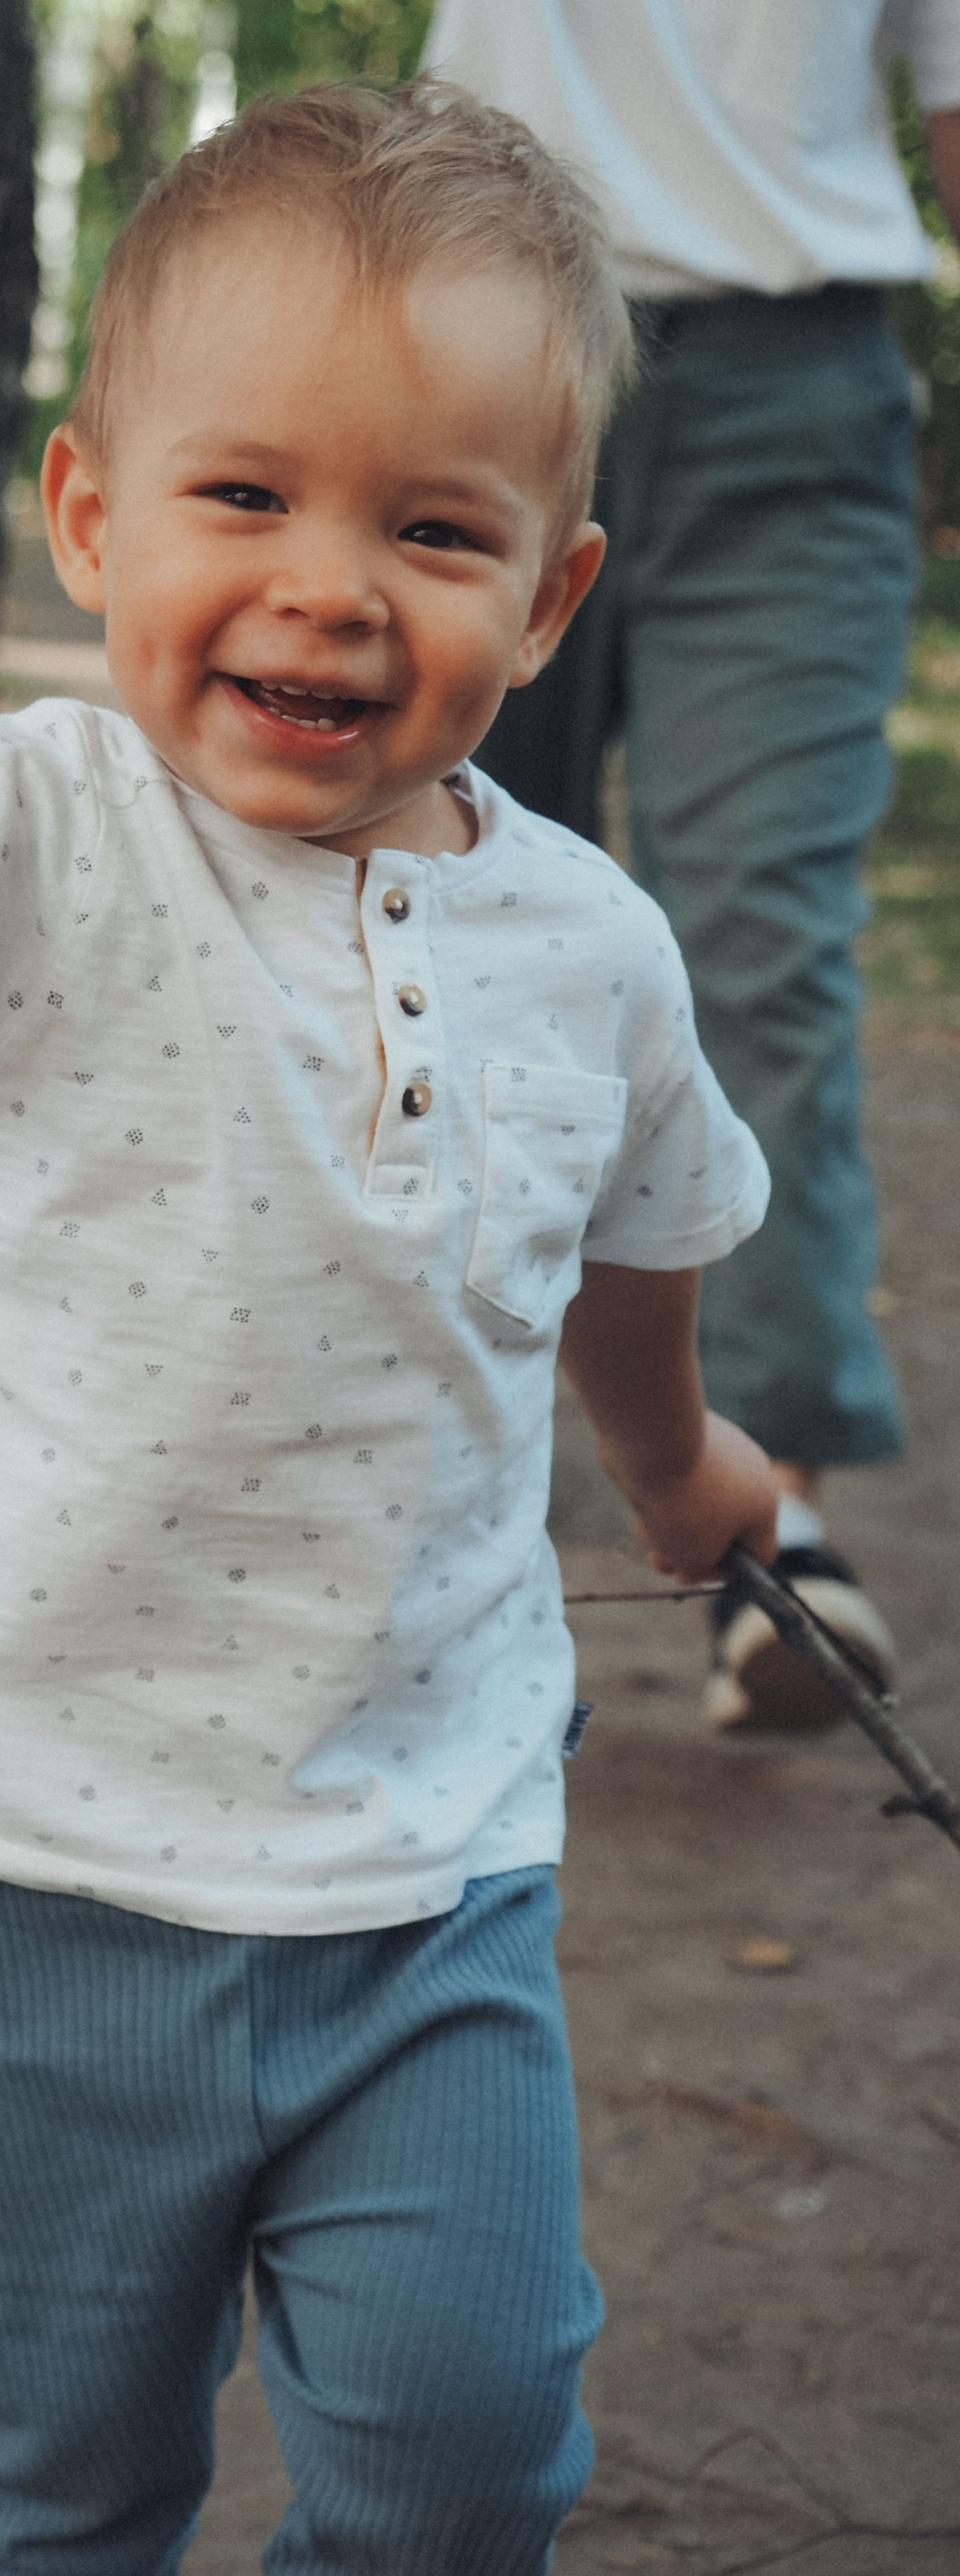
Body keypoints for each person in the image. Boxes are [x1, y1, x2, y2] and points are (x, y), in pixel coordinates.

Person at [0, 81, 779, 2576]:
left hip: (428, 1871)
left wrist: (680, 1470)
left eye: (432, 528)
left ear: (553, 593)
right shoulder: (30, 826)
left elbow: (632, 1242)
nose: (329, 587)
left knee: (467, 2459)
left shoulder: (593, 949)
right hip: (31, 1863)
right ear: (89, 513)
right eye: (246, 497)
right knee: (66, 2484)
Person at [422, 0, 960, 1730]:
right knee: (414, 909)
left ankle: (767, 1517)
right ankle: (412, 1524)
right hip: (474, 333)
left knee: (759, 938)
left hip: (796, 391)